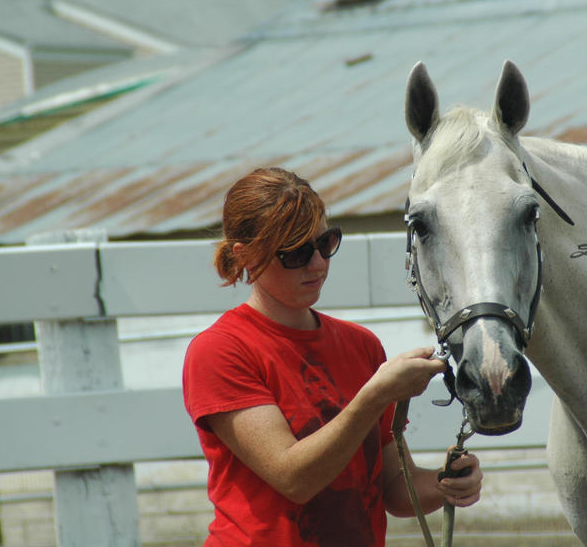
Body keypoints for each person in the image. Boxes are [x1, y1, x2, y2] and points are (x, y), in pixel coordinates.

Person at [182, 167, 482, 546]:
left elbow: (392, 486)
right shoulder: (221, 350)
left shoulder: (361, 345)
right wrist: (375, 395)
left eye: (325, 243)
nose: (318, 263)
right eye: (296, 253)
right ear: (245, 256)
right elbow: (294, 478)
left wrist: (445, 483)